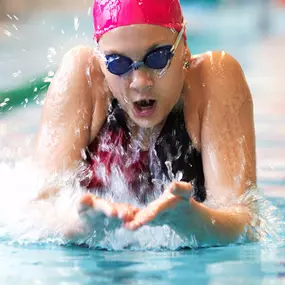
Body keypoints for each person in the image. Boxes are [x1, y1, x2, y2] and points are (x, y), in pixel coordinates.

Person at [34, 0, 256, 245]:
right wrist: (80, 225)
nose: (140, 82)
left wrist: (193, 221)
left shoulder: (213, 81)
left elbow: (245, 221)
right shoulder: (83, 78)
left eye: (158, 58)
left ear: (184, 47)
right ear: (101, 62)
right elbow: (39, 209)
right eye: (118, 63)